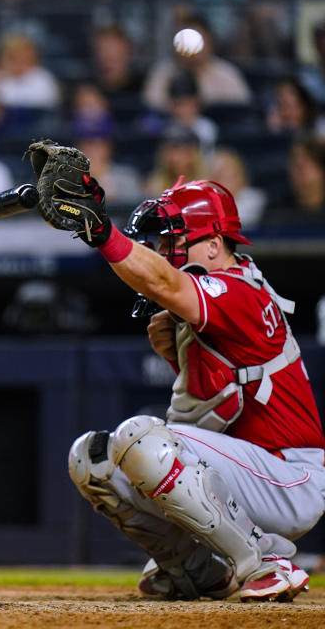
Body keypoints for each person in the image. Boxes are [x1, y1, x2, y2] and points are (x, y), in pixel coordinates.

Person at [42, 161, 323, 602]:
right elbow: (217, 409)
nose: (163, 250)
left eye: (174, 240)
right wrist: (178, 358)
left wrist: (102, 233)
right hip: (254, 473)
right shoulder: (201, 314)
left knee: (140, 437)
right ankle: (196, 569)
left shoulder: (237, 289)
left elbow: (163, 282)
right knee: (92, 458)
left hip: (291, 477)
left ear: (213, 245)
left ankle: (263, 562)